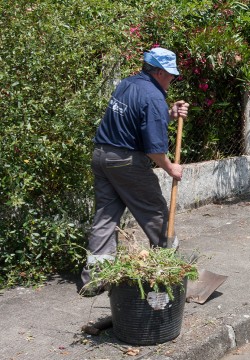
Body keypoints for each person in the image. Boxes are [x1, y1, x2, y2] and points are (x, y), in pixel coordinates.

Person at [80, 47, 189, 295]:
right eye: (171, 74)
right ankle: (167, 273)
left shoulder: (127, 84)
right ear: (160, 72)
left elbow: (136, 122)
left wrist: (169, 114)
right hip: (126, 162)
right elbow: (153, 149)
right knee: (157, 214)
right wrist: (171, 167)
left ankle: (94, 281)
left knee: (105, 219)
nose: (173, 78)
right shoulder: (153, 96)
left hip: (102, 157)